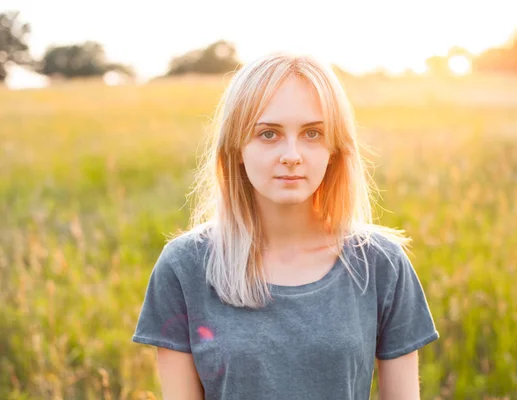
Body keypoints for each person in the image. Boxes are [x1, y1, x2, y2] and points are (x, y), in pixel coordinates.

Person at [132, 51, 440, 400]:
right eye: (268, 134)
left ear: (335, 149)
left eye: (311, 134)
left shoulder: (381, 265)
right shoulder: (184, 267)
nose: (292, 154)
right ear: (236, 148)